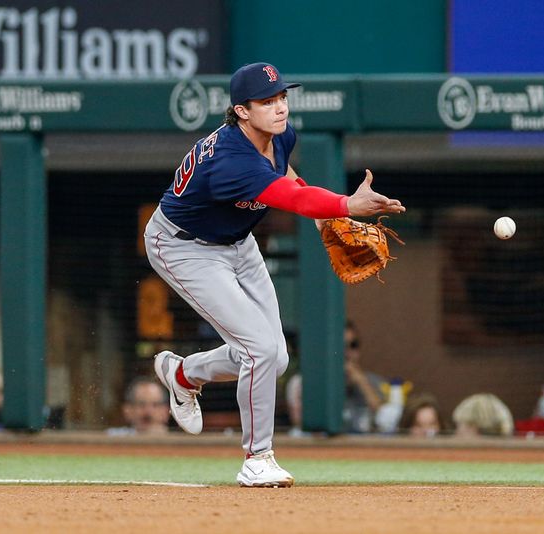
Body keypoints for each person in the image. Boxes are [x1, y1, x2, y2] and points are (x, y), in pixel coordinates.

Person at [144, 62, 404, 487]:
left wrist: (325, 219)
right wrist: (344, 206)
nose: (280, 107)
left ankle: (182, 374)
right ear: (241, 111)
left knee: (274, 356)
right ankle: (257, 458)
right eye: (267, 101)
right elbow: (288, 198)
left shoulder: (281, 134)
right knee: (261, 350)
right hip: (182, 246)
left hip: (237, 242)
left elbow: (287, 176)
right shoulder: (230, 161)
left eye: (282, 96)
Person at [284, 321, 389, 434]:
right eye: (341, 346)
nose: (347, 353)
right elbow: (301, 424)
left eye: (353, 345)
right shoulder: (302, 382)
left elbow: (388, 423)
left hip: (366, 447)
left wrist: (362, 383)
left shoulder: (374, 382)